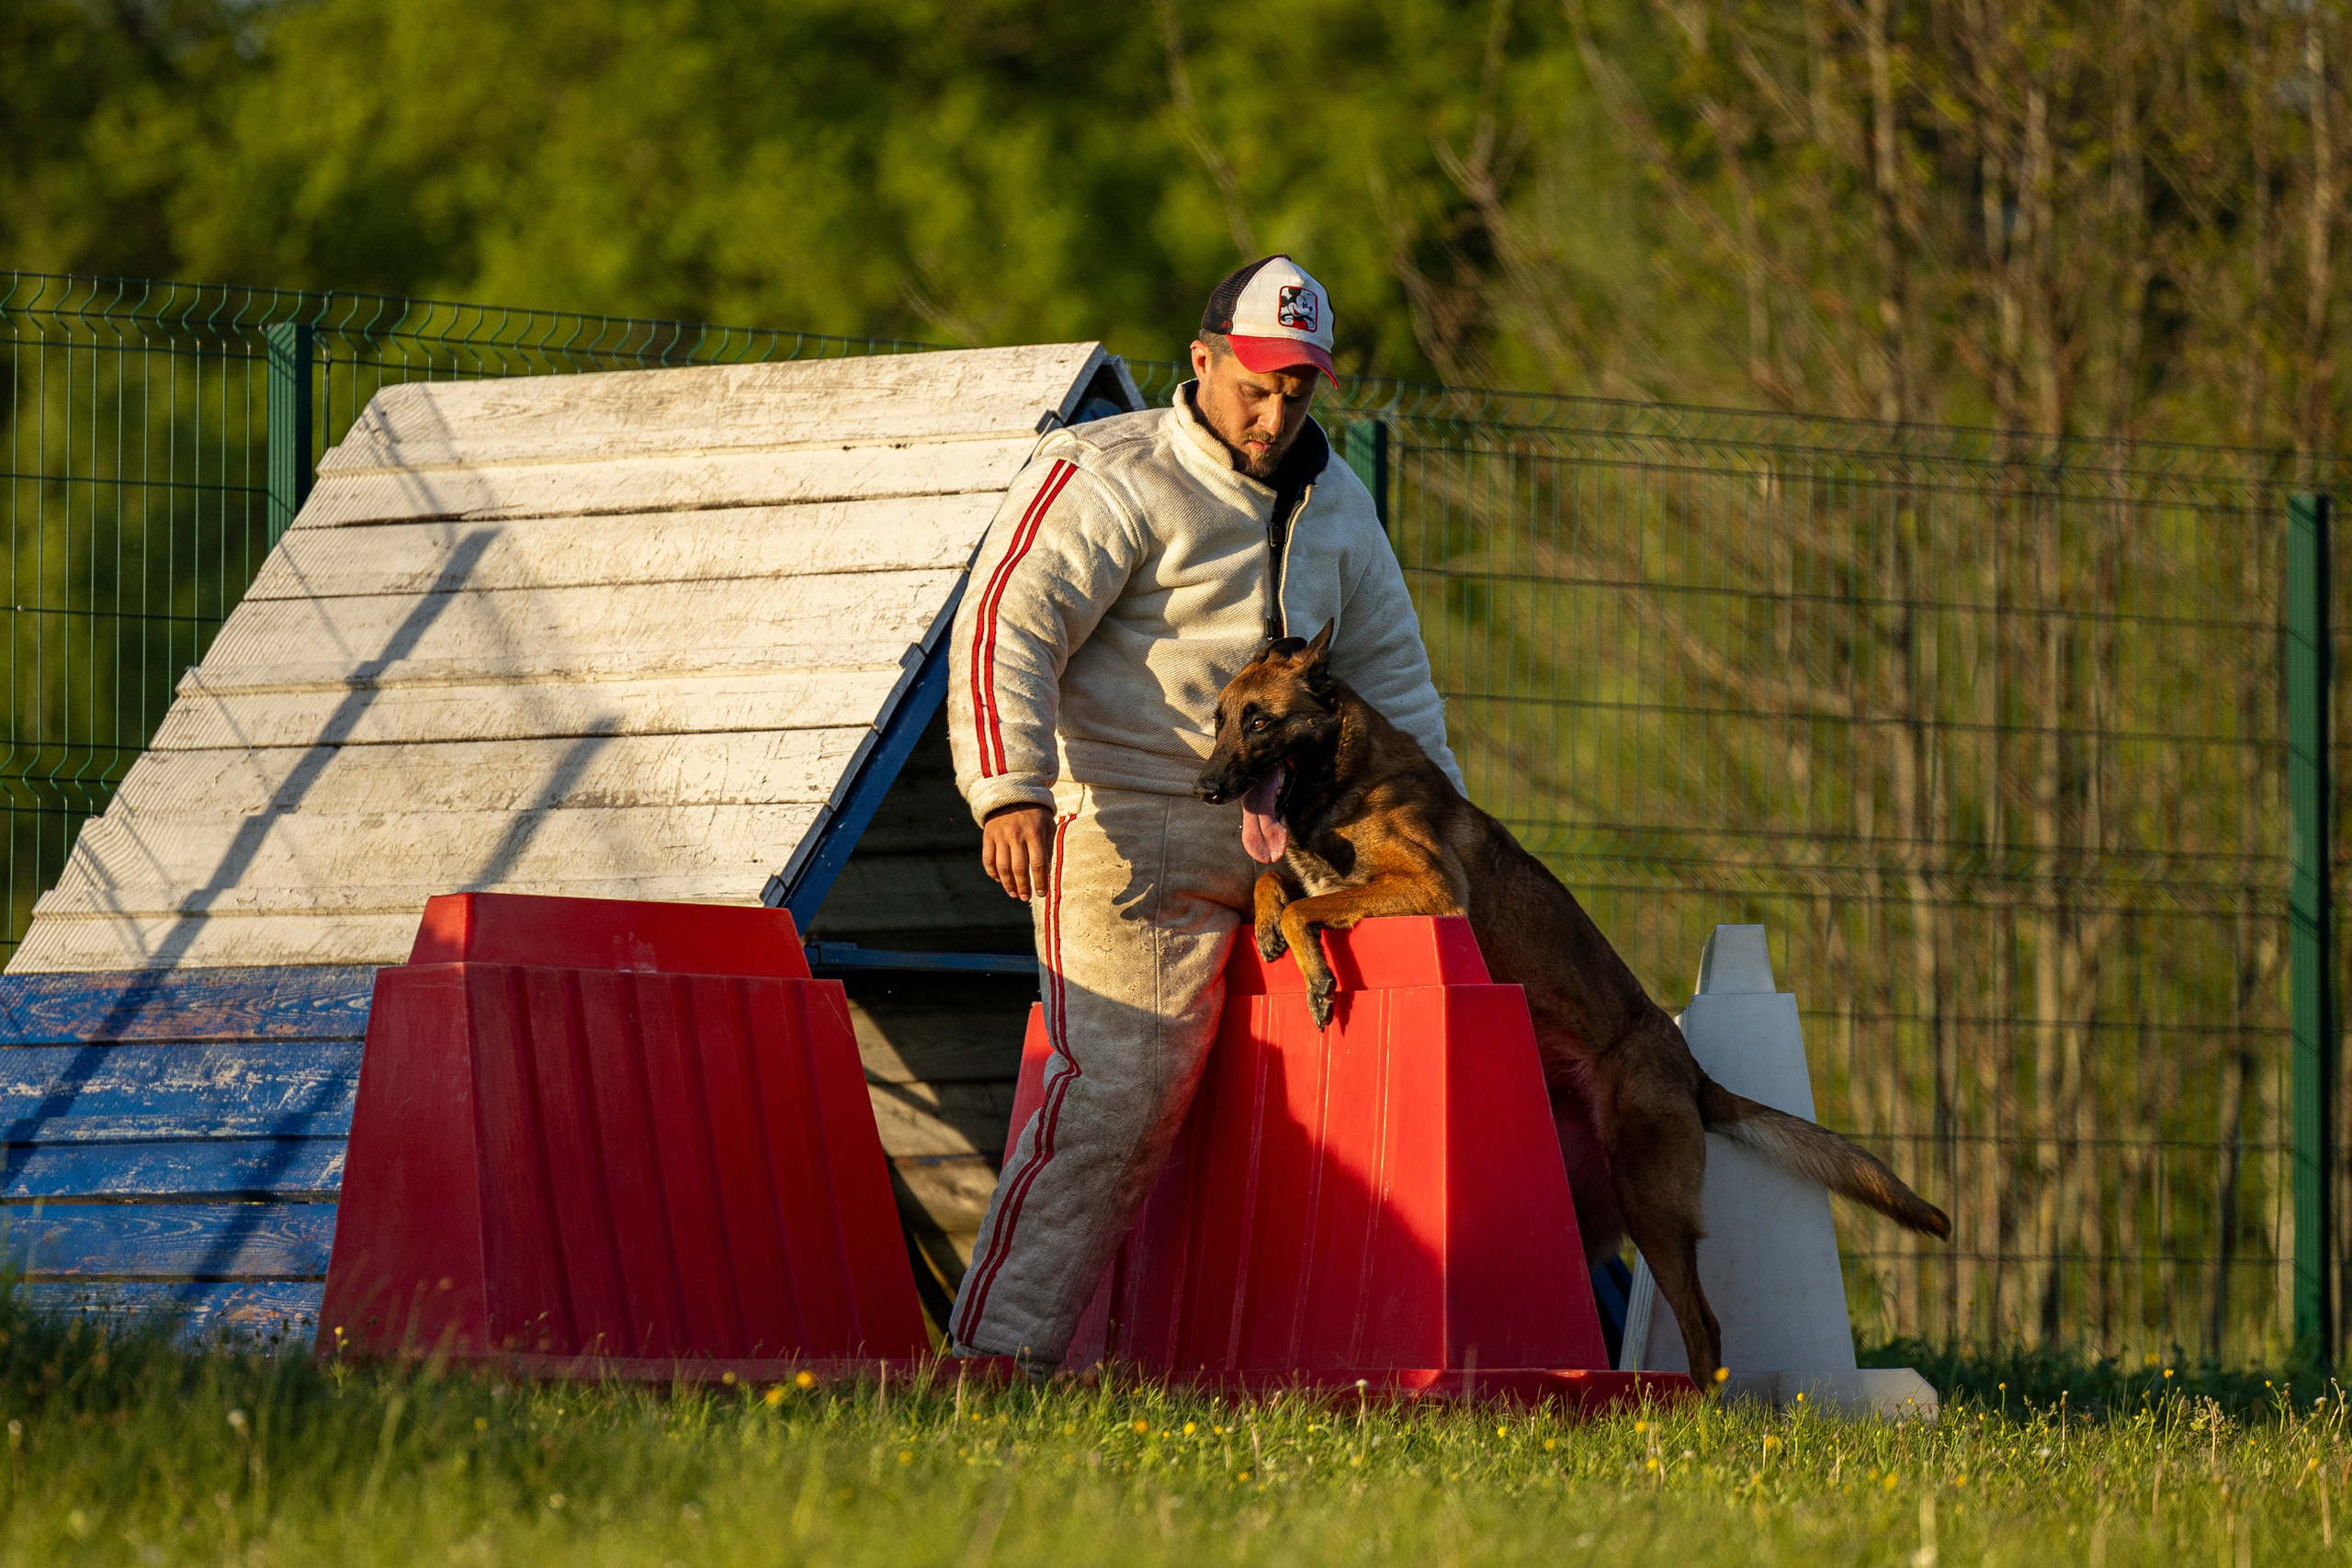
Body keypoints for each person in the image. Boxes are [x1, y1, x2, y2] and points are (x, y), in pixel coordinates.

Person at [944, 255, 1463, 1370]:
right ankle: (997, 1362)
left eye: (1298, 394)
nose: (1275, 417)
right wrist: (1009, 787)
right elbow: (1005, 624)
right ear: (1200, 360)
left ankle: (1364, 1363)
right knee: (1121, 1098)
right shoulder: (1109, 473)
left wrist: (1453, 836)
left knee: (1412, 1053)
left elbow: (1397, 682)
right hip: (1134, 822)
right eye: (1255, 387)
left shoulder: (1341, 505)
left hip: (1310, 838)